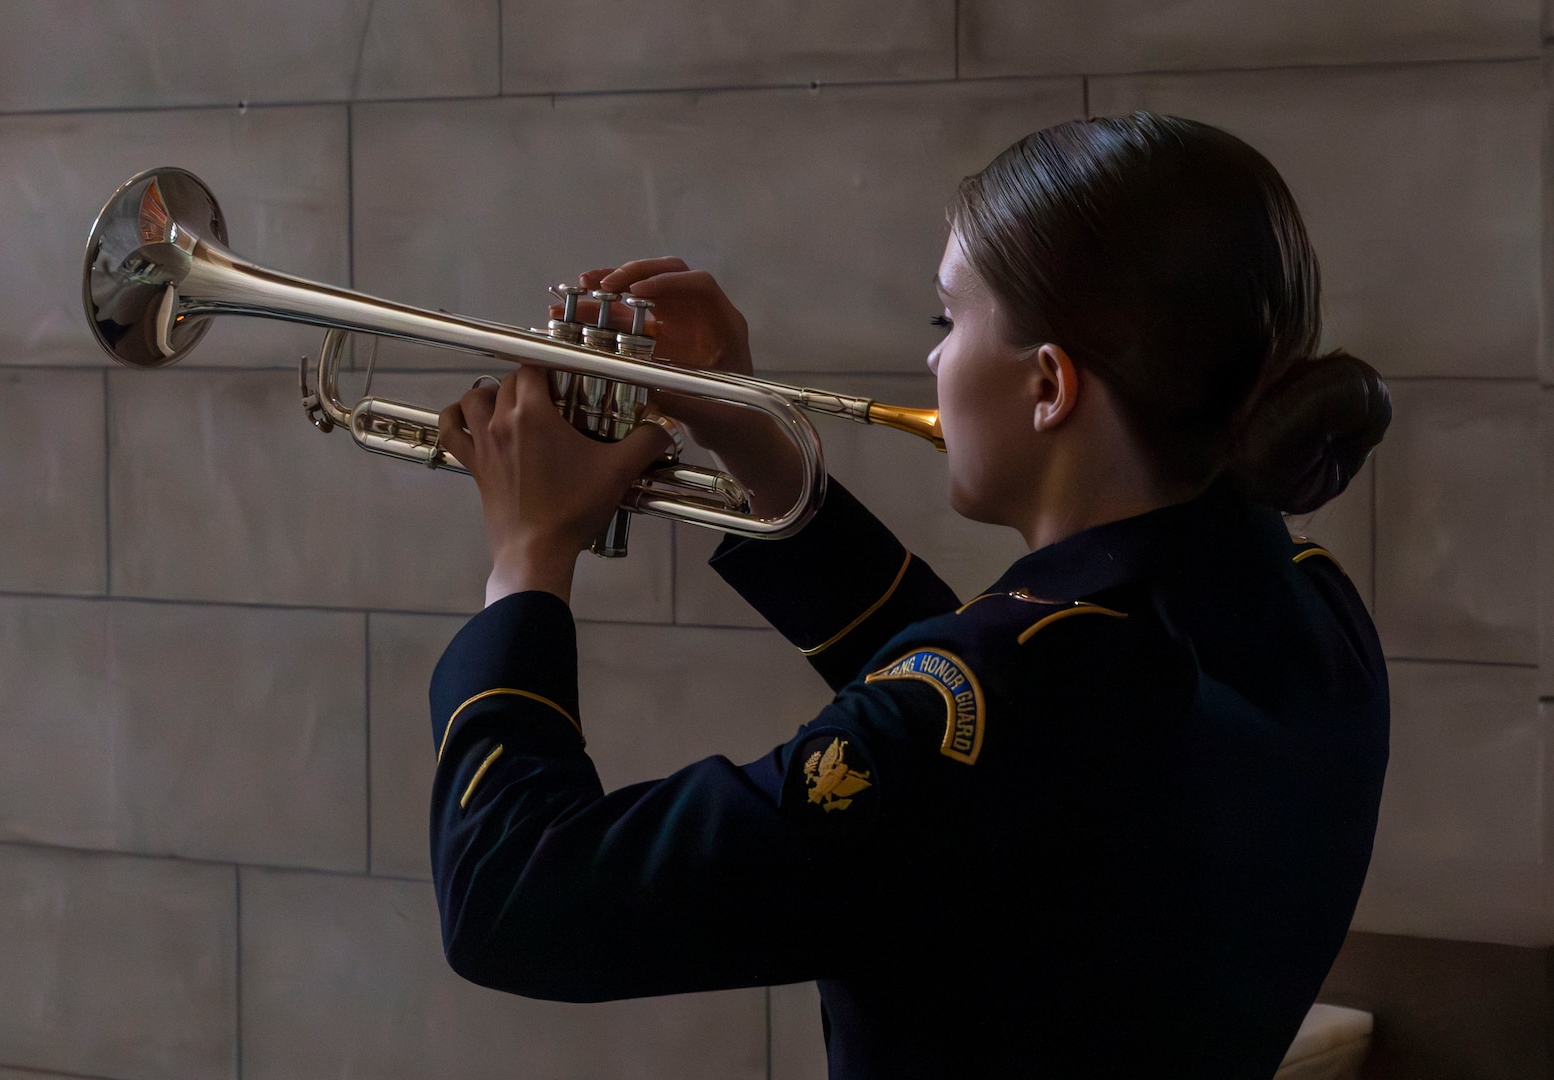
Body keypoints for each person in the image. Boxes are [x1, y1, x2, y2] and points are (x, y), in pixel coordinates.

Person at [429, 113, 1391, 1078]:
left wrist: (526, 558)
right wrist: (745, 428)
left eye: (948, 321)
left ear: (1050, 384)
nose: (934, 360)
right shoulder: (1311, 611)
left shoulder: (1018, 700)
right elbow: (995, 733)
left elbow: (514, 899)